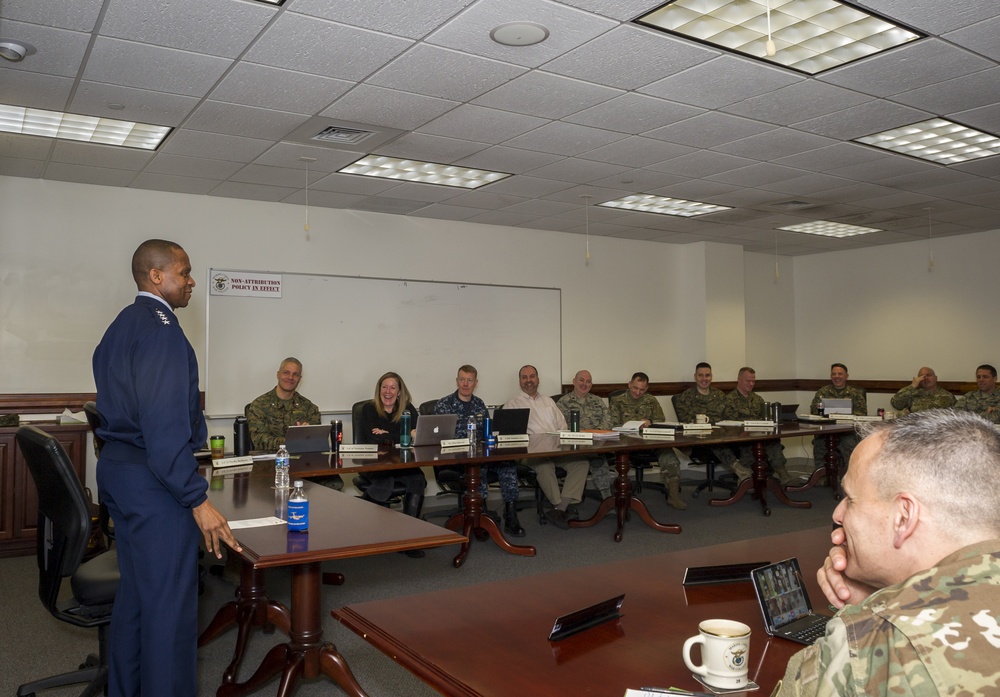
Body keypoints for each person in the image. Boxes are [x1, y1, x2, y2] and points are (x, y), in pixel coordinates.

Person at [93, 239, 240, 697]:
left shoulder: (121, 324)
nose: (192, 280)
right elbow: (162, 427)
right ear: (156, 276)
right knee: (170, 613)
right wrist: (196, 500)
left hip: (120, 472)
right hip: (155, 483)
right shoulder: (162, 331)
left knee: (137, 600)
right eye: (184, 271)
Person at [781, 409, 1000, 696]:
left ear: (903, 517)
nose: (838, 514)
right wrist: (886, 595)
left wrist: (866, 618)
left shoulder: (878, 644)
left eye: (850, 498)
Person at [434, 365, 524, 537]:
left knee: (508, 466)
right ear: (457, 381)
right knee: (479, 470)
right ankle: (479, 519)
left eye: (470, 380)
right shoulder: (444, 405)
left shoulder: (479, 404)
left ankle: (511, 515)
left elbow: (487, 434)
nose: (465, 384)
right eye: (462, 380)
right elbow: (439, 440)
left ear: (476, 383)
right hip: (457, 460)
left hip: (481, 456)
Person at [504, 365, 588, 529]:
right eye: (524, 377)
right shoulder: (512, 404)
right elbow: (509, 438)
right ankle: (560, 506)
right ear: (520, 381)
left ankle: (559, 509)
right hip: (531, 454)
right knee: (544, 465)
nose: (529, 380)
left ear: (538, 379)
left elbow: (562, 428)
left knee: (582, 463)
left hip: (557, 451)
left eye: (532, 376)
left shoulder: (549, 401)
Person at [356, 372, 427, 556]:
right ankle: (364, 521)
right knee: (384, 481)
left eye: (393, 387)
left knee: (418, 479)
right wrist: (403, 435)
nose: (388, 391)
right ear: (379, 390)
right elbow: (374, 438)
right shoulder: (369, 409)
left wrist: (387, 434)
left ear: (399, 391)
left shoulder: (408, 409)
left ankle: (408, 538)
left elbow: (419, 434)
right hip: (372, 462)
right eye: (384, 387)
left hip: (402, 462)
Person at [609, 372, 686, 510]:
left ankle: (673, 495)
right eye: (635, 388)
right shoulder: (617, 401)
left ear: (647, 388)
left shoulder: (651, 401)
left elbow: (661, 420)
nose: (638, 392)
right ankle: (621, 496)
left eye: (642, 389)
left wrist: (650, 421)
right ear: (629, 384)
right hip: (627, 443)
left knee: (670, 456)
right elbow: (613, 424)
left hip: (651, 441)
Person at [720, 367, 794, 486]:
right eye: (748, 381)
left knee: (773, 441)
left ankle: (782, 473)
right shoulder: (730, 400)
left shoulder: (757, 399)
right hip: (740, 437)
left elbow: (766, 418)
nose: (751, 384)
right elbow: (730, 424)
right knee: (748, 443)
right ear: (739, 379)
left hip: (759, 434)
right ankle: (747, 479)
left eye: (753, 381)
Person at [557, 370, 614, 501]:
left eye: (588, 381)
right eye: (581, 380)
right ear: (574, 382)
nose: (584, 384)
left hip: (596, 444)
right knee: (597, 460)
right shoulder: (563, 403)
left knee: (598, 457)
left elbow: (608, 420)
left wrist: (596, 433)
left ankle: (608, 499)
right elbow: (560, 427)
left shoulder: (598, 401)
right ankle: (607, 498)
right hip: (574, 447)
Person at [247, 357, 321, 452]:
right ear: (278, 375)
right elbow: (260, 440)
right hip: (268, 464)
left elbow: (316, 441)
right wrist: (293, 440)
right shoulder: (259, 405)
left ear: (300, 379)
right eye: (286, 373)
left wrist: (307, 433)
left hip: (300, 463)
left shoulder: (310, 408)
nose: (290, 378)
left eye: (295, 374)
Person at [809, 363, 866, 469]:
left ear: (846, 376)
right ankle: (822, 474)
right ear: (831, 376)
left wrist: (846, 417)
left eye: (840, 374)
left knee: (849, 444)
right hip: (826, 430)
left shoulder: (855, 394)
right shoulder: (822, 392)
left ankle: (848, 474)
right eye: (834, 374)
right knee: (819, 443)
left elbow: (862, 414)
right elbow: (814, 411)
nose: (837, 377)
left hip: (847, 431)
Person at [890, 366, 955, 414]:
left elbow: (958, 415)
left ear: (936, 378)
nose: (926, 378)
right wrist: (912, 386)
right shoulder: (912, 394)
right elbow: (896, 404)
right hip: (916, 429)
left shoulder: (947, 396)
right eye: (922, 376)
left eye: (929, 375)